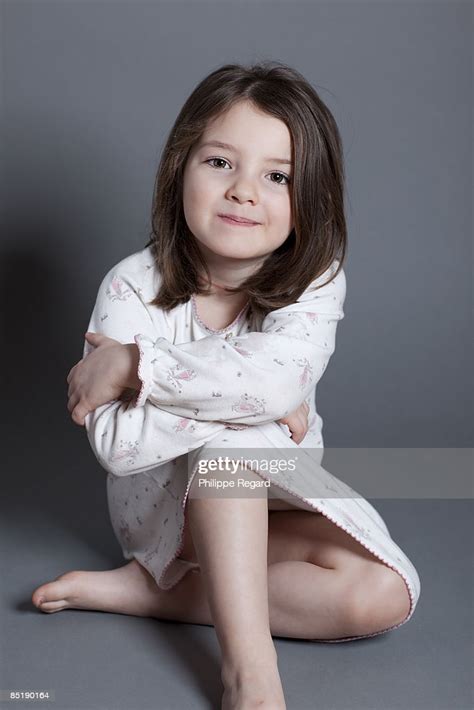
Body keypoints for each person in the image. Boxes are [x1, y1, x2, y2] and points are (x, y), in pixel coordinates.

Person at [32, 61, 421, 710]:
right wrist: (255, 402)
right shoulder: (131, 286)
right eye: (220, 163)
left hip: (270, 502)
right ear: (180, 169)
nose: (245, 191)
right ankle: (250, 674)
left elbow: (274, 415)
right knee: (232, 455)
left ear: (311, 199)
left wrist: (137, 367)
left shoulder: (315, 281)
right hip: (165, 515)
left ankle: (159, 595)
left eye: (277, 177)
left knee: (381, 595)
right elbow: (120, 445)